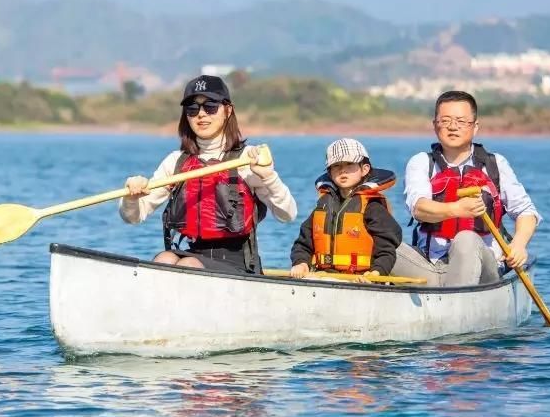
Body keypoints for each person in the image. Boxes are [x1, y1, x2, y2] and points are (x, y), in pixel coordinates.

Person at [119, 74, 298, 274]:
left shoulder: (248, 158)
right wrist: (131, 198)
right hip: (194, 254)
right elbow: (133, 217)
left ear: (228, 110)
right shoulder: (176, 162)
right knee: (165, 259)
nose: (201, 115)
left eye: (210, 106)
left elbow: (287, 214)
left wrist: (268, 176)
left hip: (240, 265)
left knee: (187, 265)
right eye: (192, 109)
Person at [390, 90, 542, 287]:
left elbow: (526, 212)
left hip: (484, 269)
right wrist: (457, 209)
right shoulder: (420, 163)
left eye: (461, 121)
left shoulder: (495, 164)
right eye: (445, 121)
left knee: (466, 240)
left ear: (475, 127)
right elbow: (419, 208)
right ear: (435, 125)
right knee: (379, 241)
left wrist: (519, 245)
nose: (452, 127)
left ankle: (454, 306)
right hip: (431, 267)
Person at [289, 138, 403, 281]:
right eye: (336, 166)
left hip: (362, 279)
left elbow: (387, 250)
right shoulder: (323, 206)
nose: (342, 170)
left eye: (349, 164)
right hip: (324, 276)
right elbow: (302, 244)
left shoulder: (373, 207)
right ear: (330, 173)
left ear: (365, 169)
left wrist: (376, 273)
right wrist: (300, 263)